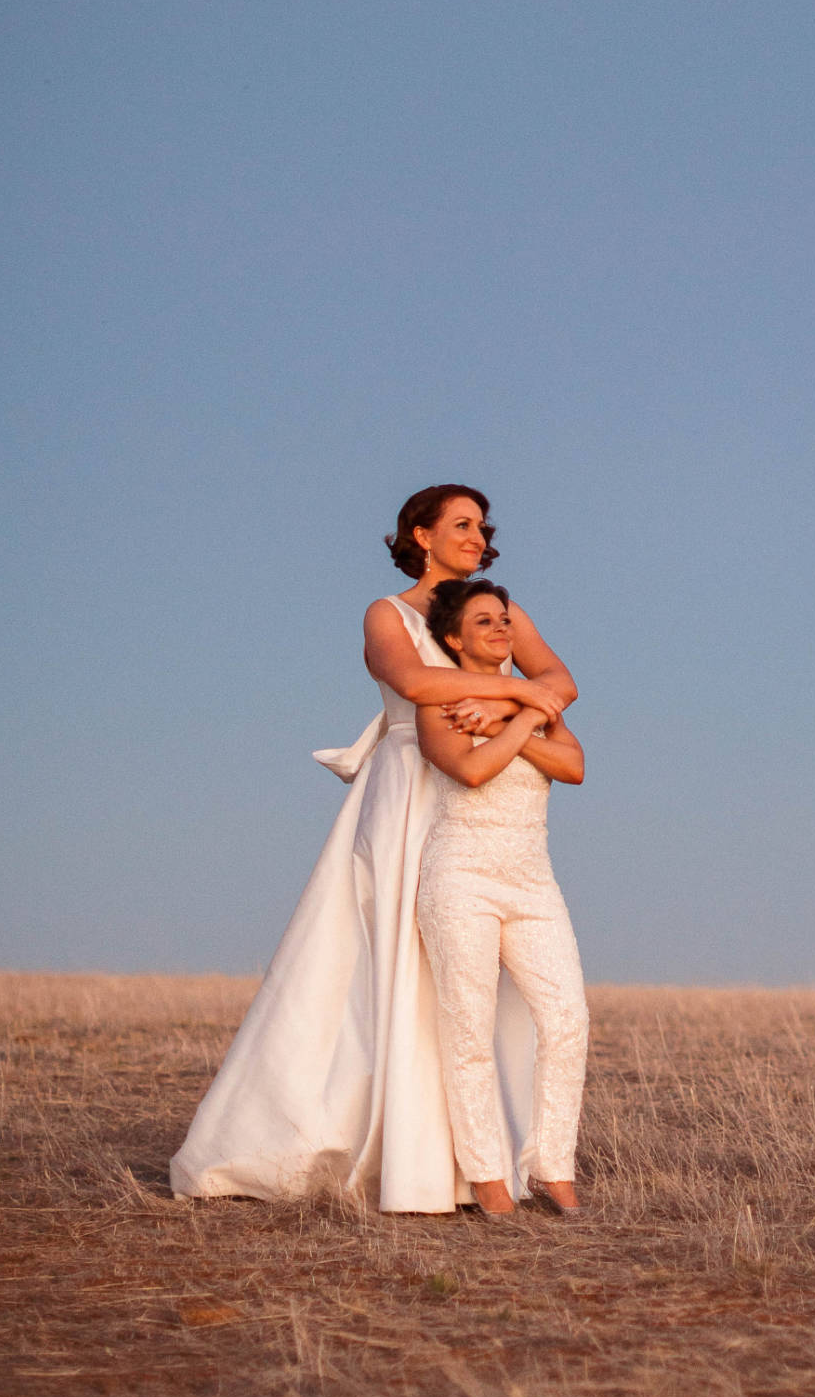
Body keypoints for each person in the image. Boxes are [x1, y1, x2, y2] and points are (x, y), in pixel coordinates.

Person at [170, 485, 576, 1211]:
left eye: (482, 527)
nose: (476, 537)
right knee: (390, 967)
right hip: (407, 792)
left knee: (478, 990)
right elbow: (415, 681)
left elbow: (560, 681)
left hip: (486, 809)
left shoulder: (501, 612)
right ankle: (397, 1152)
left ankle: (482, 1161)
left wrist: (505, 698)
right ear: (419, 535)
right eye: (460, 525)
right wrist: (513, 698)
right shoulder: (387, 613)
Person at [415, 577, 589, 1220]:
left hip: (534, 880)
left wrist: (512, 714)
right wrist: (524, 714)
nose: (501, 630)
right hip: (461, 876)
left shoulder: (529, 703)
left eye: (505, 620)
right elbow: (471, 769)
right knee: (469, 1028)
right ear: (455, 639)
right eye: (484, 622)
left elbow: (574, 767)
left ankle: (554, 1168)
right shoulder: (440, 704)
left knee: (568, 1019)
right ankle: (487, 1176)